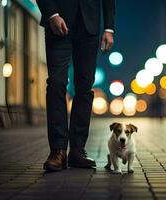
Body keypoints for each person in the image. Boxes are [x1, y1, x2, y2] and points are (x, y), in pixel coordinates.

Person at [36, 0, 115, 172]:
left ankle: (77, 150)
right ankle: (58, 150)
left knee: (85, 87)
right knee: (57, 83)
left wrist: (109, 28)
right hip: (58, 20)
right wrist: (52, 14)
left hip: (89, 25)